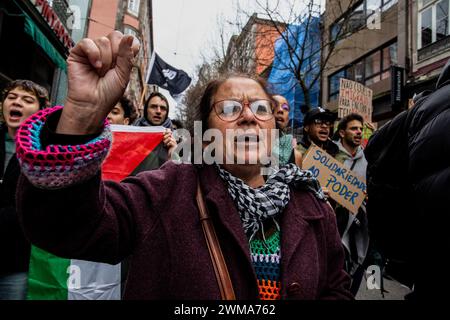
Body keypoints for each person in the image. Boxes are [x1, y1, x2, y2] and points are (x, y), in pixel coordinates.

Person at [15, 31, 352, 300]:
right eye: (232, 109)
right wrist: (81, 118)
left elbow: (336, 287)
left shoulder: (312, 204)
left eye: (261, 109)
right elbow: (66, 227)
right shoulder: (165, 191)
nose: (249, 116)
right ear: (205, 137)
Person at [0, 79, 49, 300]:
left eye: (27, 100)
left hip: (16, 261)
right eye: (12, 97)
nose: (17, 102)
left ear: (40, 111)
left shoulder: (45, 153)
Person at [334, 113, 370, 296]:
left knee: (352, 285)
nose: (358, 132)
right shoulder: (330, 156)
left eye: (360, 129)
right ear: (341, 133)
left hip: (359, 230)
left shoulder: (369, 161)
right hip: (335, 230)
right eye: (353, 128)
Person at [272, 95, 302, 167]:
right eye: (274, 105)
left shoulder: (296, 155)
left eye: (285, 108)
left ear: (288, 119)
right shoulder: (250, 145)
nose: (280, 110)